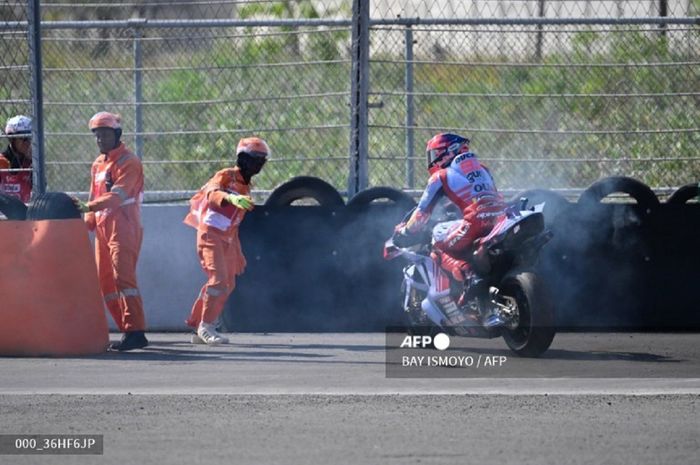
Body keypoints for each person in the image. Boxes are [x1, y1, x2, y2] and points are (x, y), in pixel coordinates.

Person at [394, 133, 507, 299]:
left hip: (476, 221)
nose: (432, 160)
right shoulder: (483, 169)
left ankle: (469, 275)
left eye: (434, 155)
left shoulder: (440, 176)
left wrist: (406, 231)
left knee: (437, 236)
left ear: (447, 152)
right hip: (501, 217)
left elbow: (421, 214)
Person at [73, 111, 148, 351]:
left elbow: (118, 196)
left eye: (105, 134)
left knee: (123, 279)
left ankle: (135, 330)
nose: (100, 139)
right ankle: (126, 329)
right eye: (97, 135)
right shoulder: (97, 164)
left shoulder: (129, 162)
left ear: (117, 134)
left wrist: (90, 207)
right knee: (105, 282)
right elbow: (93, 195)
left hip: (124, 226)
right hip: (104, 227)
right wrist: (87, 220)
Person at [183, 136, 269, 345]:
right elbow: (212, 193)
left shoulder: (246, 187)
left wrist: (237, 251)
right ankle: (207, 326)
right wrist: (231, 198)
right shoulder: (226, 175)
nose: (257, 164)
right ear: (242, 159)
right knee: (219, 281)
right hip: (210, 235)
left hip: (227, 239)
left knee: (227, 284)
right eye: (253, 159)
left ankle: (197, 323)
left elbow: (234, 223)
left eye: (260, 160)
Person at [0, 115, 33, 202]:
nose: (28, 143)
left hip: (25, 212)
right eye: (24, 138)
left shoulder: (31, 164)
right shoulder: (1, 162)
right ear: (12, 139)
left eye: (30, 138)